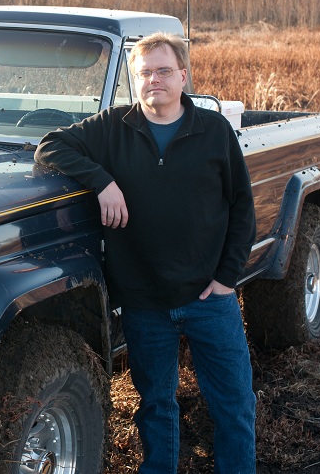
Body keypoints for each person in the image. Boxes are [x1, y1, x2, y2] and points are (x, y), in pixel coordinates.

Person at [34, 32, 257, 473]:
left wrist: (226, 278)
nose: (154, 80)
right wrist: (103, 180)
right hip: (144, 304)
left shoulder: (213, 131)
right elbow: (50, 146)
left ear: (183, 76)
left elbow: (242, 209)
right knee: (156, 407)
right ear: (134, 80)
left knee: (234, 405)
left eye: (164, 71)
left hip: (209, 298)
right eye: (144, 73)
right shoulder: (113, 127)